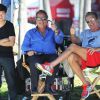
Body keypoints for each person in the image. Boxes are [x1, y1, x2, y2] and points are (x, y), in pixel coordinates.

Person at [35, 11, 100, 99]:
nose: (90, 23)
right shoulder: (85, 32)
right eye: (88, 22)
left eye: (92, 20)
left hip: (97, 56)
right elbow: (75, 41)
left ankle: (50, 66)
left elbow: (74, 45)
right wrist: (72, 34)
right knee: (71, 56)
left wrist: (97, 49)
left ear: (97, 19)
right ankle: (86, 85)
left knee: (72, 47)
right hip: (86, 58)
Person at [21, 10, 64, 94]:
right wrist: (28, 51)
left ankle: (48, 86)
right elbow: (24, 46)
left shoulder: (53, 31)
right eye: (39, 19)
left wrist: (56, 30)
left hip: (50, 55)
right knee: (34, 61)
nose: (41, 21)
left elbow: (59, 41)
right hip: (35, 55)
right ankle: (34, 88)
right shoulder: (30, 33)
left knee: (56, 59)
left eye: (44, 19)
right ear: (36, 20)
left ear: (47, 20)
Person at [0, 4, 17, 100]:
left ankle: (12, 98)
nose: (0, 16)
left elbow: (11, 43)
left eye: (2, 14)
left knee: (11, 80)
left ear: (5, 14)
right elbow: (8, 41)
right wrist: (4, 40)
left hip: (7, 56)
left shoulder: (9, 25)